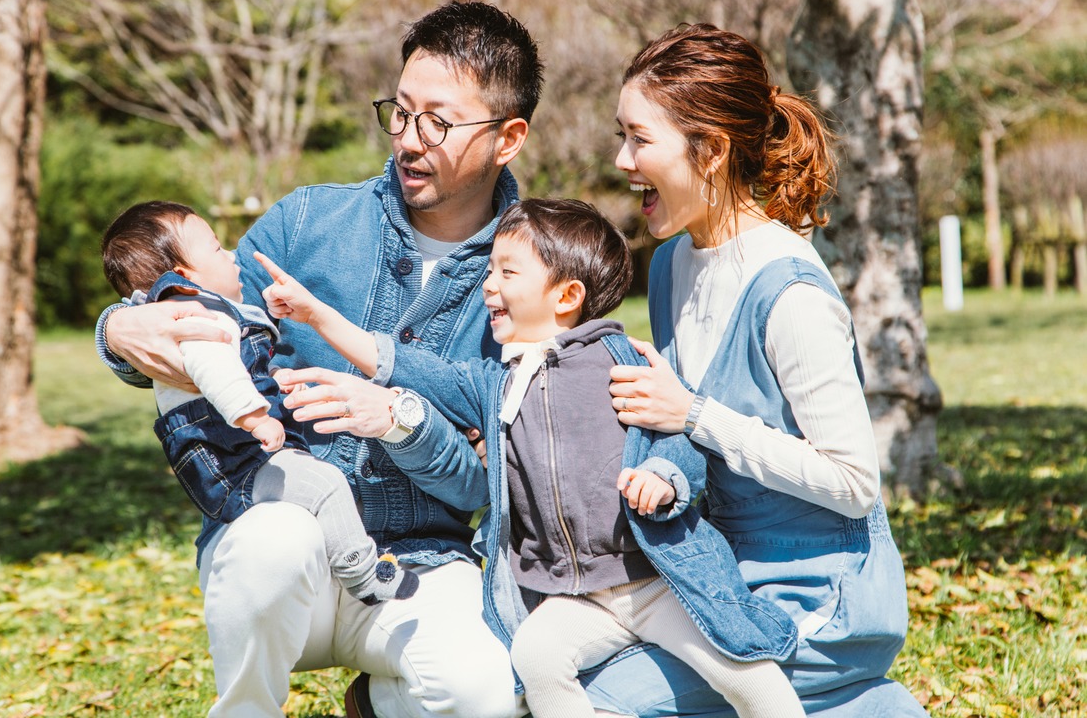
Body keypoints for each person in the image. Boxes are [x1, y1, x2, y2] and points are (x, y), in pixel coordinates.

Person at [94, 1, 541, 718]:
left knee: (485, 692)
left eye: (439, 121)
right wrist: (118, 328)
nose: (409, 139)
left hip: (415, 567)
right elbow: (196, 301)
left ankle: (374, 703)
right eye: (399, 112)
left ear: (508, 137)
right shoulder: (308, 222)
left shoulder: (534, 279)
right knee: (279, 536)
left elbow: (485, 488)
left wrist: (402, 420)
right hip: (278, 564)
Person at [260, 198, 806, 718]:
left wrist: (663, 477)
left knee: (745, 670)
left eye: (506, 273)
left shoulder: (620, 363)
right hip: (575, 596)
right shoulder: (493, 384)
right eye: (489, 271)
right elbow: (401, 364)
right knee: (537, 659)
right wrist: (316, 316)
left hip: (655, 579)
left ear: (565, 296)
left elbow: (676, 438)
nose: (488, 287)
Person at [589, 23, 929, 715]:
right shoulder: (670, 267)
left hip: (819, 602)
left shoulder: (791, 293)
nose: (622, 159)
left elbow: (855, 482)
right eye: (621, 135)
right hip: (719, 581)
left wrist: (692, 413)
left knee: (605, 701)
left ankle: (857, 692)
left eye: (639, 138)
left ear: (709, 150)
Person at [99, 201, 419, 605]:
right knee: (327, 484)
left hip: (238, 460)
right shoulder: (197, 321)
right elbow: (218, 371)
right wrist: (255, 417)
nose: (232, 255)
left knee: (315, 486)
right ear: (183, 277)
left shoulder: (205, 312)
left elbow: (239, 371)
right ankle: (364, 576)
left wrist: (276, 388)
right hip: (237, 465)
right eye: (217, 249)